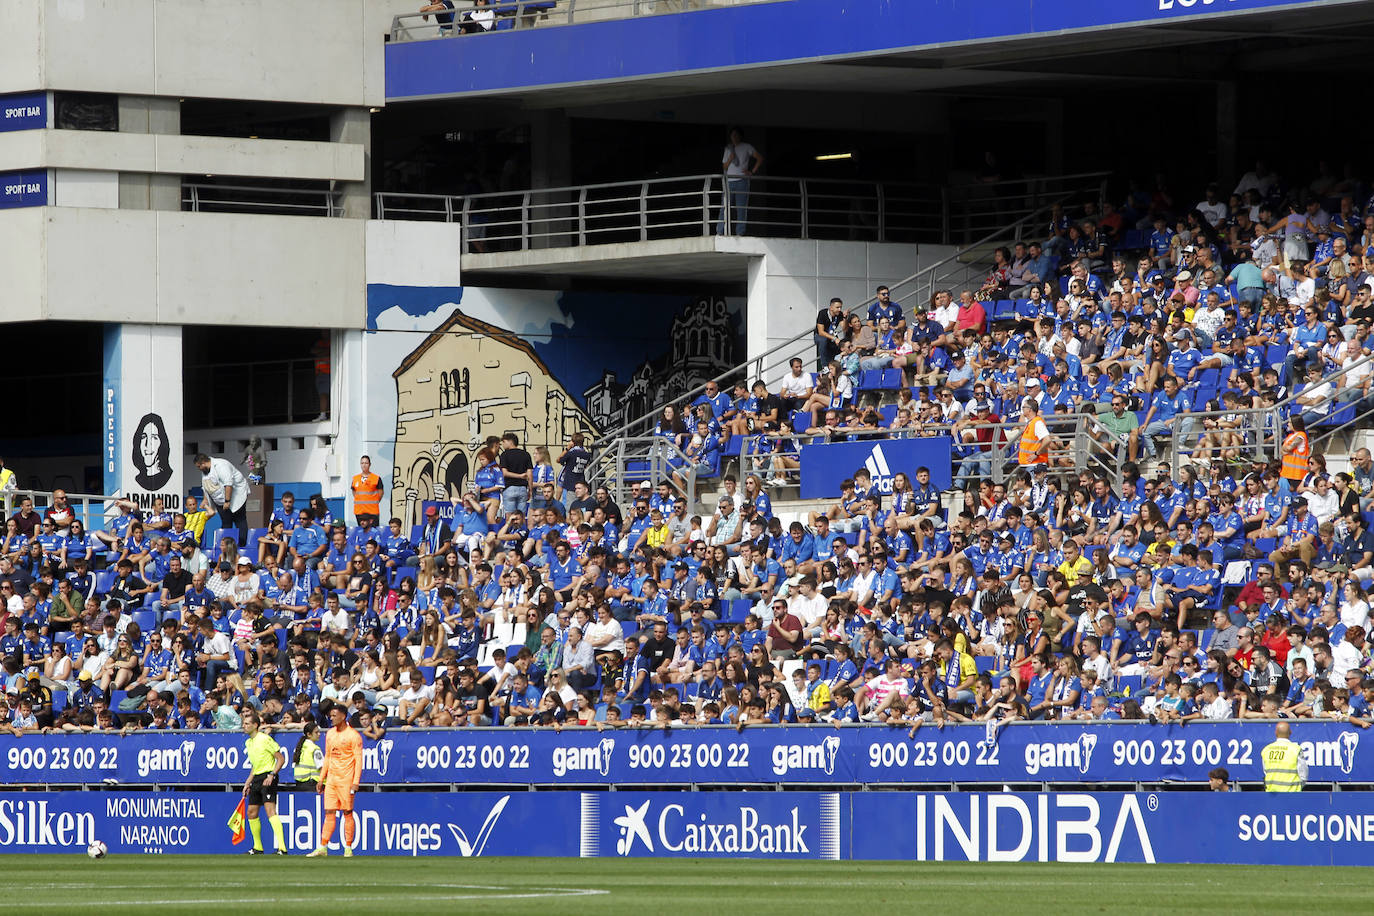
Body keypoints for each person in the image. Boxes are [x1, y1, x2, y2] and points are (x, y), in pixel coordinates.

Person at [308, 703, 363, 857]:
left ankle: (348, 848)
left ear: (343, 716)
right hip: (331, 780)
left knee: (347, 813)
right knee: (329, 813)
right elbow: (328, 757)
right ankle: (323, 847)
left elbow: (359, 760)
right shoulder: (330, 734)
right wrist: (321, 779)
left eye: (334, 715)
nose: (331, 718)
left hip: (346, 780)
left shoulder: (354, 736)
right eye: (330, 716)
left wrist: (355, 782)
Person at [241, 709, 288, 855]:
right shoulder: (249, 742)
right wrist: (248, 782)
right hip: (257, 778)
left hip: (268, 777)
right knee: (251, 812)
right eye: (243, 723)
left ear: (256, 725)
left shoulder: (265, 739)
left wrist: (272, 775)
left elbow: (280, 759)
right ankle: (257, 847)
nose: (244, 726)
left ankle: (282, 847)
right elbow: (255, 765)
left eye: (247, 723)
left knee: (270, 811)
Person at [195, 453, 249, 546]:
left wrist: (227, 501)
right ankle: (227, 547)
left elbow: (228, 484)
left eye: (199, 466)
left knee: (240, 521)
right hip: (219, 500)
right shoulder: (205, 472)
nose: (198, 469)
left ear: (203, 463)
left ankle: (242, 545)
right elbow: (205, 486)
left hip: (235, 497)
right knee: (226, 523)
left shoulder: (221, 465)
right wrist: (205, 499)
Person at [717, 127, 762, 237]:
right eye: (732, 135)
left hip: (742, 181)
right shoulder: (728, 148)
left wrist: (751, 171)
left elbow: (759, 158)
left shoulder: (747, 146)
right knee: (724, 207)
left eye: (736, 135)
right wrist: (730, 158)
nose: (734, 137)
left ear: (740, 136)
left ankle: (740, 232)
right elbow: (724, 166)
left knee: (741, 208)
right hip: (729, 182)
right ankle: (720, 231)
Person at [1260, 720, 1306, 792]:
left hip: (1271, 794)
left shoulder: (1267, 749)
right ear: (1290, 732)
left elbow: (1265, 771)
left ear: (1276, 733)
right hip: (1292, 794)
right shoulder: (1296, 749)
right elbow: (1303, 774)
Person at [131, 413, 173, 492]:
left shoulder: (167, 475)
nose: (148, 444)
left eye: (154, 437)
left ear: (162, 442)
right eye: (143, 437)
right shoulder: (139, 479)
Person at [350, 455, 383, 527]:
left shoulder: (376, 478)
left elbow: (380, 494)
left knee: (373, 532)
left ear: (369, 464)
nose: (364, 465)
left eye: (366, 463)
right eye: (362, 463)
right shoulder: (355, 478)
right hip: (359, 511)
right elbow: (354, 492)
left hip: (372, 511)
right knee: (362, 532)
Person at [292, 721, 323, 791]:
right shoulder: (314, 748)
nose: (319, 734)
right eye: (316, 732)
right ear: (309, 734)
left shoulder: (300, 746)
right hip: (312, 783)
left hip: (299, 783)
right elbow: (321, 767)